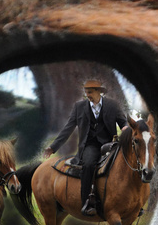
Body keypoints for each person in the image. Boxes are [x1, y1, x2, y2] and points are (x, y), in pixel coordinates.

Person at [46, 80, 127, 216]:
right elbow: (68, 128)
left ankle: (131, 202)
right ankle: (86, 203)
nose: (87, 95)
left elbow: (123, 122)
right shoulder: (79, 107)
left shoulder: (112, 105)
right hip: (90, 145)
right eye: (86, 92)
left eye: (90, 92)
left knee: (126, 162)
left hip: (110, 144)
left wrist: (125, 128)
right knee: (88, 164)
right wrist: (53, 147)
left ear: (98, 91)